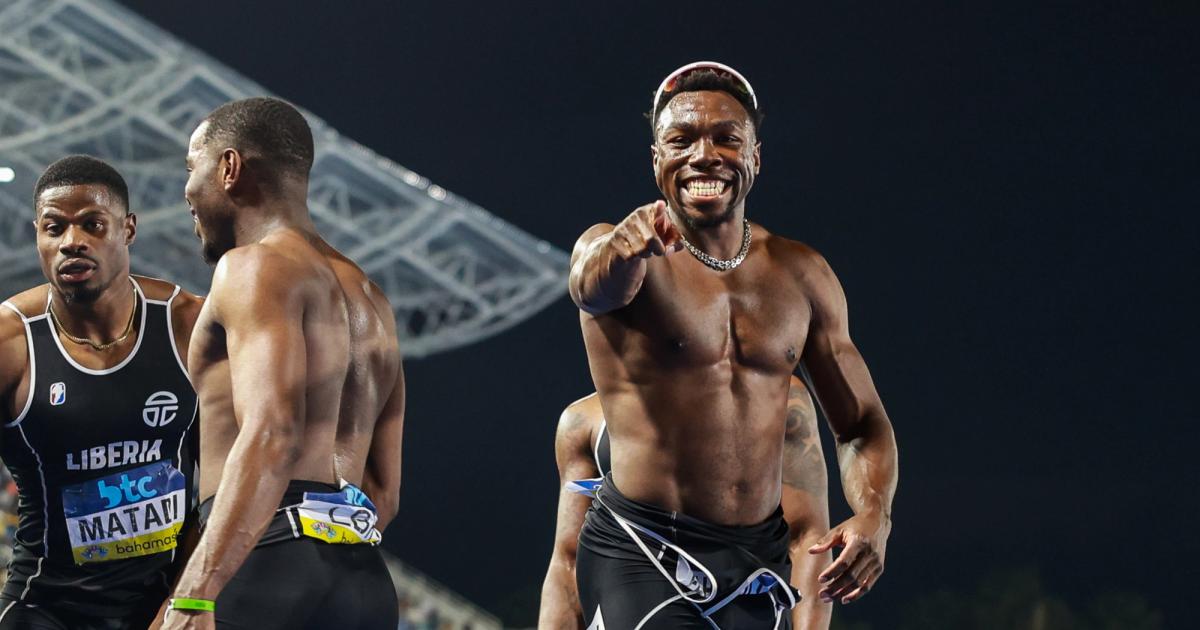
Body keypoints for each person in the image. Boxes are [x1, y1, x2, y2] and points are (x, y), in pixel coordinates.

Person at [568, 61, 899, 628]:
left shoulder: (801, 276)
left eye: (726, 139)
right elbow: (589, 287)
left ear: (755, 157)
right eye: (682, 140)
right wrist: (621, 248)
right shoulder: (618, 249)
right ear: (657, 161)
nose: (704, 155)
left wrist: (874, 517)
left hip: (755, 556)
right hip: (642, 547)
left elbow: (862, 424)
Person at [160, 97, 404, 630]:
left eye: (191, 169)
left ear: (229, 168)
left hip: (265, 564)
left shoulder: (252, 267)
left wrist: (195, 595)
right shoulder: (372, 301)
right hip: (363, 583)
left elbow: (273, 432)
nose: (187, 193)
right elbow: (384, 491)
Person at [0, 155, 203, 628]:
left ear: (128, 229)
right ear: (37, 235)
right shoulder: (12, 343)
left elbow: (222, 489)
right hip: (45, 608)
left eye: (92, 225)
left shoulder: (189, 327)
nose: (72, 242)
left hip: (166, 606)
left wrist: (189, 599)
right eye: (54, 228)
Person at [539, 376, 832, 629]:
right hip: (641, 587)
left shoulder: (777, 395)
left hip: (752, 594)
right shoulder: (584, 420)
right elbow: (568, 560)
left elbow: (807, 535)